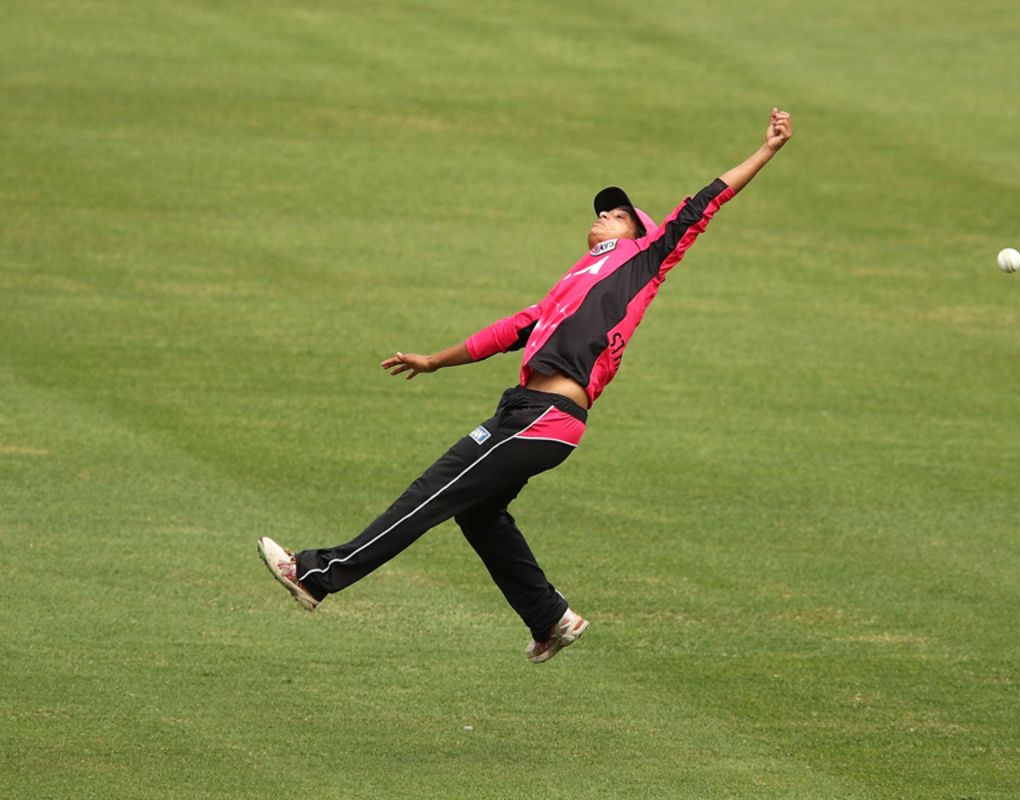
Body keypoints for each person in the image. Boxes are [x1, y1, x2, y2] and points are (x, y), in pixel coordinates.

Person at [258, 108, 793, 663]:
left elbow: (703, 202)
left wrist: (768, 149)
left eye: (619, 214)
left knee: (433, 492)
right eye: (604, 211)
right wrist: (435, 361)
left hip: (547, 416)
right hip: (525, 411)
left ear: (643, 234)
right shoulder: (569, 285)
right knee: (479, 514)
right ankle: (549, 617)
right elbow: (507, 330)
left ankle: (316, 575)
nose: (607, 214)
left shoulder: (646, 260)